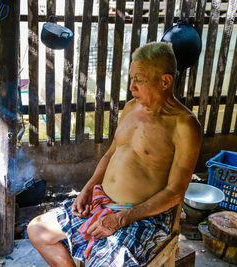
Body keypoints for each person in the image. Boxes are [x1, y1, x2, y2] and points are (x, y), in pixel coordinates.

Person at [27, 42, 202, 266]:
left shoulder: (185, 126)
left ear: (165, 81)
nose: (132, 87)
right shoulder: (131, 108)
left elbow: (176, 193)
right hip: (101, 203)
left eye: (139, 79)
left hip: (140, 218)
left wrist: (120, 219)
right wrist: (87, 190)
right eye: (131, 79)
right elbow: (110, 154)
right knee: (37, 230)